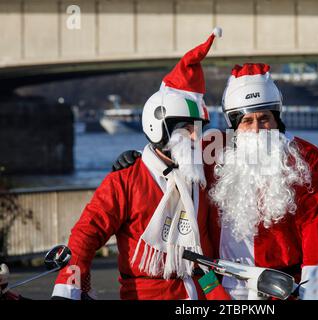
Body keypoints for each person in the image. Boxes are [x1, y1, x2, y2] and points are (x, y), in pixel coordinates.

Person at [113, 63, 318, 300]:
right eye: (247, 121)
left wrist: (314, 284)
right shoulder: (212, 150)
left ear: (277, 118)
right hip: (222, 288)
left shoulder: (305, 157)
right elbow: (173, 155)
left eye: (264, 119)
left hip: (283, 287)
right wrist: (140, 159)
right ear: (234, 123)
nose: (257, 129)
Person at [51, 28, 222, 300]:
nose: (195, 137)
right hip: (146, 293)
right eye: (187, 128)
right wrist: (68, 288)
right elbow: (86, 235)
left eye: (199, 129)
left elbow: (251, 146)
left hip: (203, 291)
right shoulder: (125, 180)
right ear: (159, 128)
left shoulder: (201, 172)